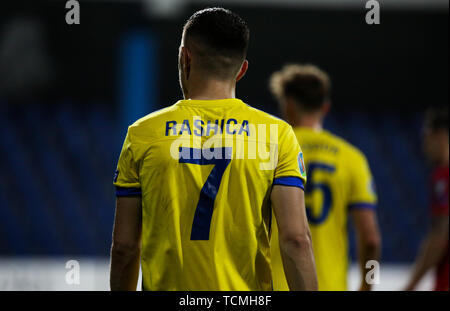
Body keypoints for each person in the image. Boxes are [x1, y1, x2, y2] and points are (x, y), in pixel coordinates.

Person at [109, 8, 317, 291]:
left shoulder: (143, 134)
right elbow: (296, 240)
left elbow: (124, 247)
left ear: (185, 58)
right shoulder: (276, 135)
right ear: (241, 70)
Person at [269, 64, 381, 291]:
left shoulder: (268, 152)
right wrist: (368, 285)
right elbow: (371, 241)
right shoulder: (352, 158)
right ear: (325, 107)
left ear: (287, 106)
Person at [405, 107, 449, 291]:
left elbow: (440, 235)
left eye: (427, 138)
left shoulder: (443, 176)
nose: (425, 145)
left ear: (439, 135)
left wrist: (411, 285)